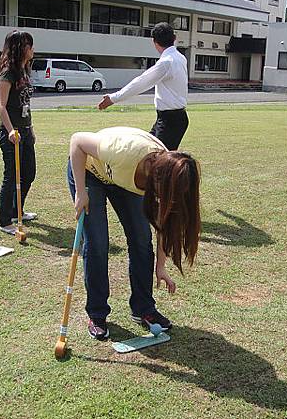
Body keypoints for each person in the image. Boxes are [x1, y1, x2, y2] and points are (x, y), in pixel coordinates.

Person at [68, 126, 201, 340]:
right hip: (90, 171)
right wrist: (81, 192)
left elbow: (162, 224)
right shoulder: (123, 151)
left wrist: (160, 267)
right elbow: (77, 141)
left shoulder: (168, 175)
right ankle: (97, 313)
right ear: (157, 178)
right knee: (98, 243)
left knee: (141, 239)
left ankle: (143, 308)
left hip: (125, 180)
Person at [97, 22, 189, 151]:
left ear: (154, 42)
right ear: (174, 39)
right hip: (171, 118)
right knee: (149, 153)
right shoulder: (180, 58)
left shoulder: (166, 63)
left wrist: (113, 98)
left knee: (159, 162)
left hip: (170, 121)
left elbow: (141, 83)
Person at [0, 30, 38, 235]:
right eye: (29, 45)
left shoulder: (24, 70)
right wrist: (11, 130)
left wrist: (31, 129)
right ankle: (5, 220)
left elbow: (26, 104)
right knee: (11, 176)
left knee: (29, 173)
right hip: (11, 133)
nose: (32, 49)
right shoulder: (8, 72)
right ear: (20, 48)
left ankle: (16, 211)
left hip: (26, 132)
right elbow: (0, 106)